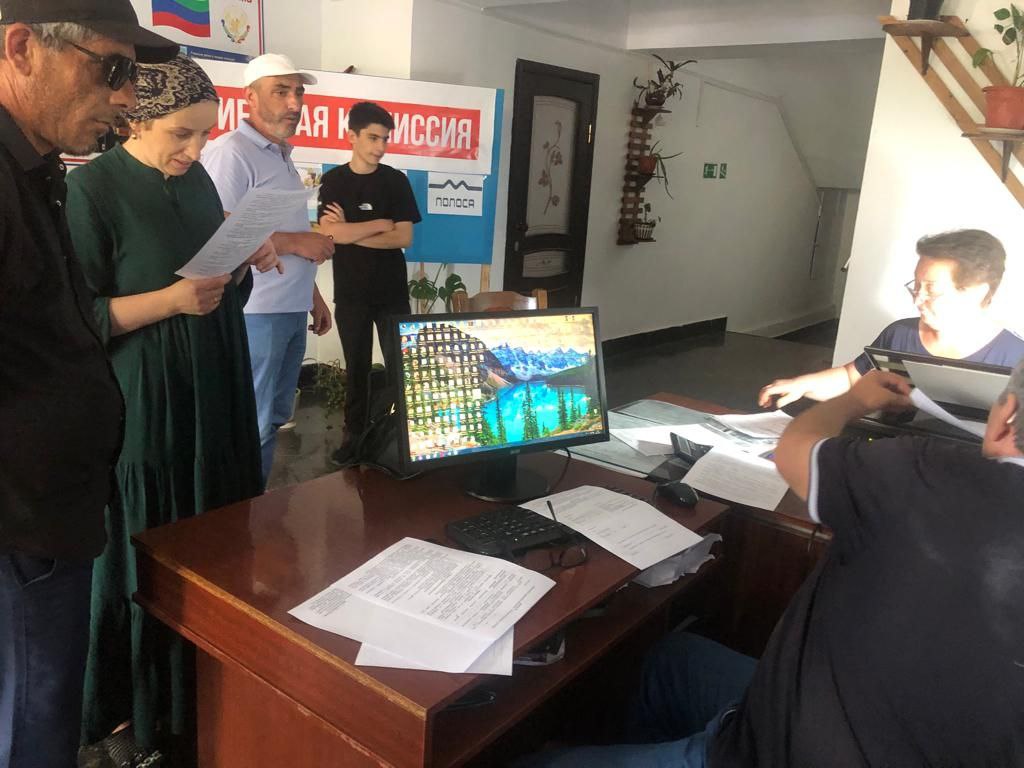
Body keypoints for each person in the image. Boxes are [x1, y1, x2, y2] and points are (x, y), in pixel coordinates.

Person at [516, 364, 1024, 767]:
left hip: (782, 749)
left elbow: (796, 449)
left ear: (1008, 413)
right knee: (672, 659)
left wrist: (853, 400)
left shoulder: (929, 473)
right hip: (842, 723)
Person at [66, 55, 276, 765]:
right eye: (181, 134)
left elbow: (211, 281)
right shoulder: (91, 191)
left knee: (213, 531)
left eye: (205, 134)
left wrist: (240, 262)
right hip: (147, 399)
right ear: (135, 120)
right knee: (146, 547)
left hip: (214, 383)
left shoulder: (198, 182)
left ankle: (199, 688)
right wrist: (171, 301)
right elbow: (80, 319)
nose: (195, 150)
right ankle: (130, 713)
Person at [0, 3, 177, 767]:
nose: (127, 97)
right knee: (31, 733)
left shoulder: (36, 168)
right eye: (112, 69)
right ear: (22, 48)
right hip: (19, 531)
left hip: (51, 519)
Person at [202, 53, 334, 489]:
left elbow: (283, 229)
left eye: (298, 93)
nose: (294, 103)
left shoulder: (281, 155)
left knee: (276, 417)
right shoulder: (231, 152)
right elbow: (217, 230)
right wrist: (297, 242)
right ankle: (240, 514)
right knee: (252, 423)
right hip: (255, 311)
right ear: (250, 98)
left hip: (289, 309)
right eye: (281, 91)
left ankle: (257, 502)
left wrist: (312, 296)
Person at [759, 229, 1024, 408]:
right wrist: (801, 385)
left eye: (931, 290)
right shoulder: (899, 334)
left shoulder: (1015, 358)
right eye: (916, 286)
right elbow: (851, 378)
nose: (917, 299)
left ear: (977, 292)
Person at [317, 101, 422, 465]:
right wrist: (378, 225)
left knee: (399, 367)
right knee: (356, 369)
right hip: (352, 293)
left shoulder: (395, 181)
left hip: (391, 292)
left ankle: (406, 437)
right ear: (352, 136)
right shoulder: (334, 181)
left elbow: (403, 237)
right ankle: (354, 438)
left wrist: (350, 232)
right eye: (373, 138)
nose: (380, 146)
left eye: (385, 139)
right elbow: (329, 233)